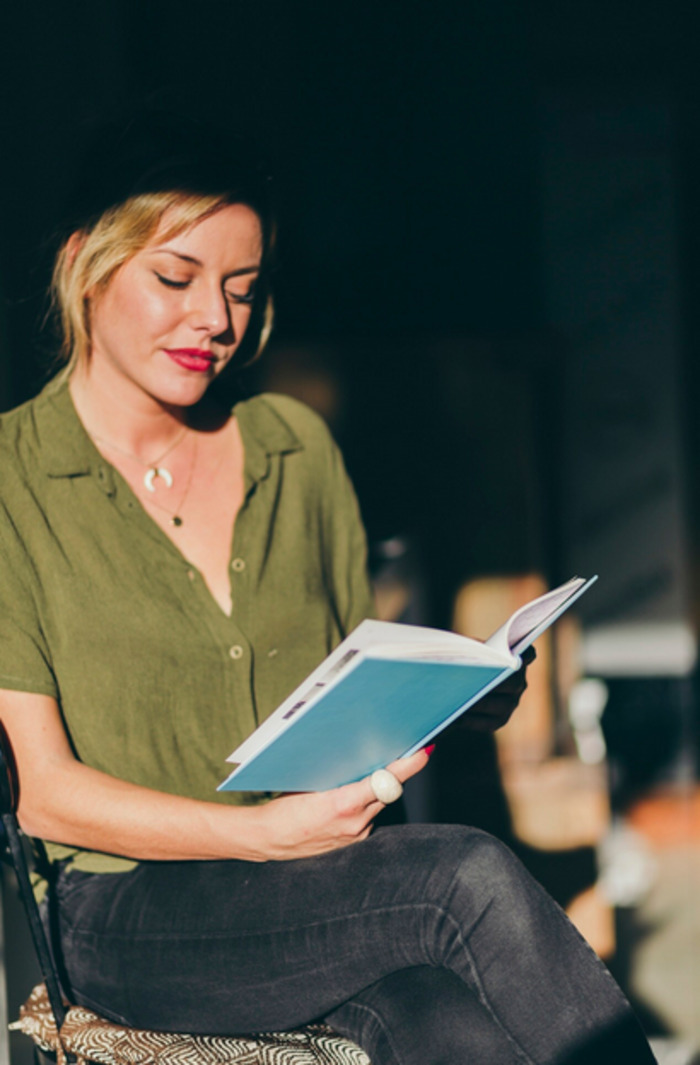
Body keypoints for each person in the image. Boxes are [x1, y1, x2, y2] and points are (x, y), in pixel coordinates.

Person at [0, 115, 655, 1065]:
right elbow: (45, 797)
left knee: (454, 1030)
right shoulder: (13, 478)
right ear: (84, 264)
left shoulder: (294, 448)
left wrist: (455, 697)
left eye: (240, 288)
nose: (214, 320)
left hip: (313, 888)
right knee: (459, 874)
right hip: (123, 908)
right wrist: (264, 834)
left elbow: (343, 697)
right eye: (174, 279)